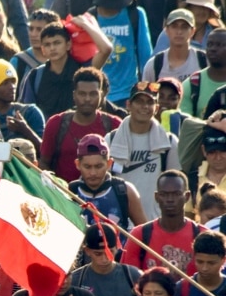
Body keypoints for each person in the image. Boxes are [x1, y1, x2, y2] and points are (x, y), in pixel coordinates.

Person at [105, 82, 180, 220]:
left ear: (156, 108)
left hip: (156, 221)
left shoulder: (169, 142)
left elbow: (177, 185)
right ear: (128, 105)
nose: (145, 106)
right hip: (120, 221)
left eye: (150, 102)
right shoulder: (111, 140)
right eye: (139, 101)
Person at [40, 68, 123, 182]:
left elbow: (122, 166)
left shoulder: (115, 125)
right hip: (63, 195)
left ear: (102, 95)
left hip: (104, 195)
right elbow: (44, 162)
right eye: (82, 94)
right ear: (74, 95)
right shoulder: (56, 124)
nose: (87, 99)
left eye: (93, 94)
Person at [21, 19, 114, 121]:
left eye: (57, 43)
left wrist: (84, 24)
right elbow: (28, 111)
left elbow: (106, 49)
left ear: (68, 44)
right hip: (45, 134)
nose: (52, 48)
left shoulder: (83, 70)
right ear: (43, 50)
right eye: (47, 44)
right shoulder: (35, 76)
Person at [121, 170, 206, 274]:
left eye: (176, 194)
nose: (170, 199)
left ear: (187, 196)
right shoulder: (139, 235)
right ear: (156, 197)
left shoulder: (202, 235)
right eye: (164, 194)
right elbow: (129, 279)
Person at [69, 134, 147, 231]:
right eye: (87, 167)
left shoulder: (125, 191)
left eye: (98, 166)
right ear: (78, 164)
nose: (93, 173)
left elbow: (145, 234)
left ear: (109, 163)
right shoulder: (70, 192)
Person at [0, 59, 44, 147]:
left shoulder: (30, 112)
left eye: (13, 82)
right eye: (5, 83)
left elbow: (45, 152)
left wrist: (25, 130)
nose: (12, 87)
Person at [143, 9, 207, 82]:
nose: (179, 32)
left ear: (192, 31)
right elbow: (146, 92)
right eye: (174, 26)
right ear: (166, 30)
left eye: (184, 27)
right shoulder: (154, 65)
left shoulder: (204, 60)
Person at [11, 9, 60, 84]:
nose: (33, 34)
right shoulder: (18, 61)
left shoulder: (63, 60)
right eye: (31, 29)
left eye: (39, 29)